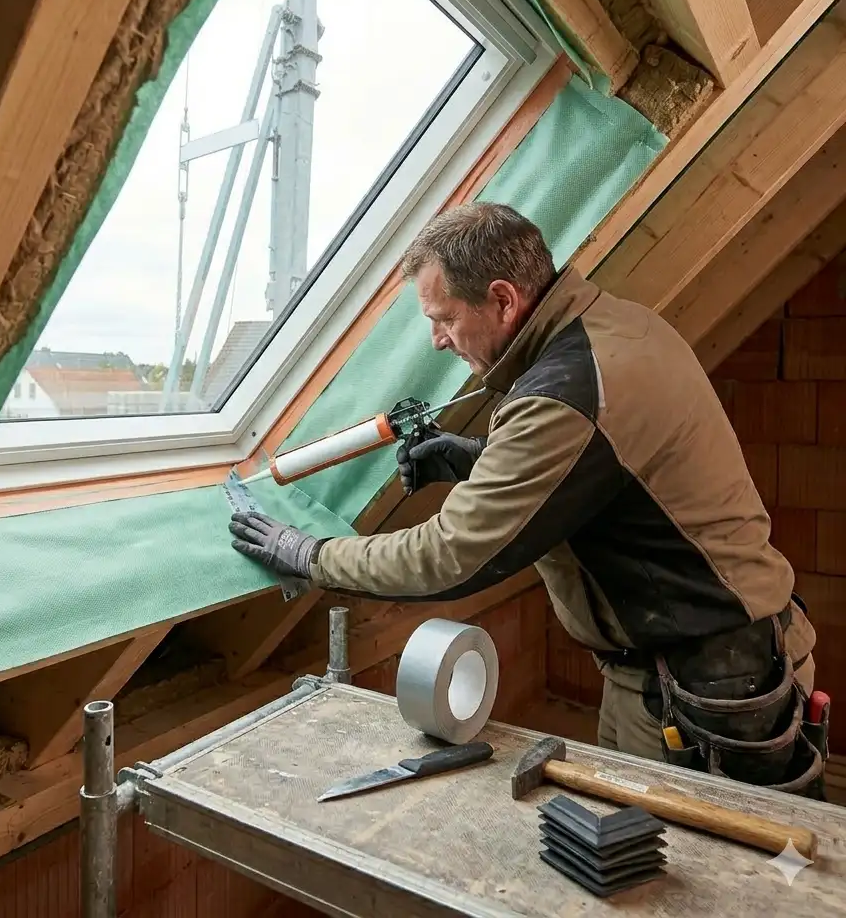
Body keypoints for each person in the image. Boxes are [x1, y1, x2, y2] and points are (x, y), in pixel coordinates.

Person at [229, 202, 827, 795]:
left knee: (712, 854)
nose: (437, 341)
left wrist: (311, 555)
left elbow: (449, 555)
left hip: (714, 686)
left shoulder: (566, 390)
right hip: (684, 667)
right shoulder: (615, 327)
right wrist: (478, 458)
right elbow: (607, 469)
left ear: (503, 300)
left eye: (445, 318)